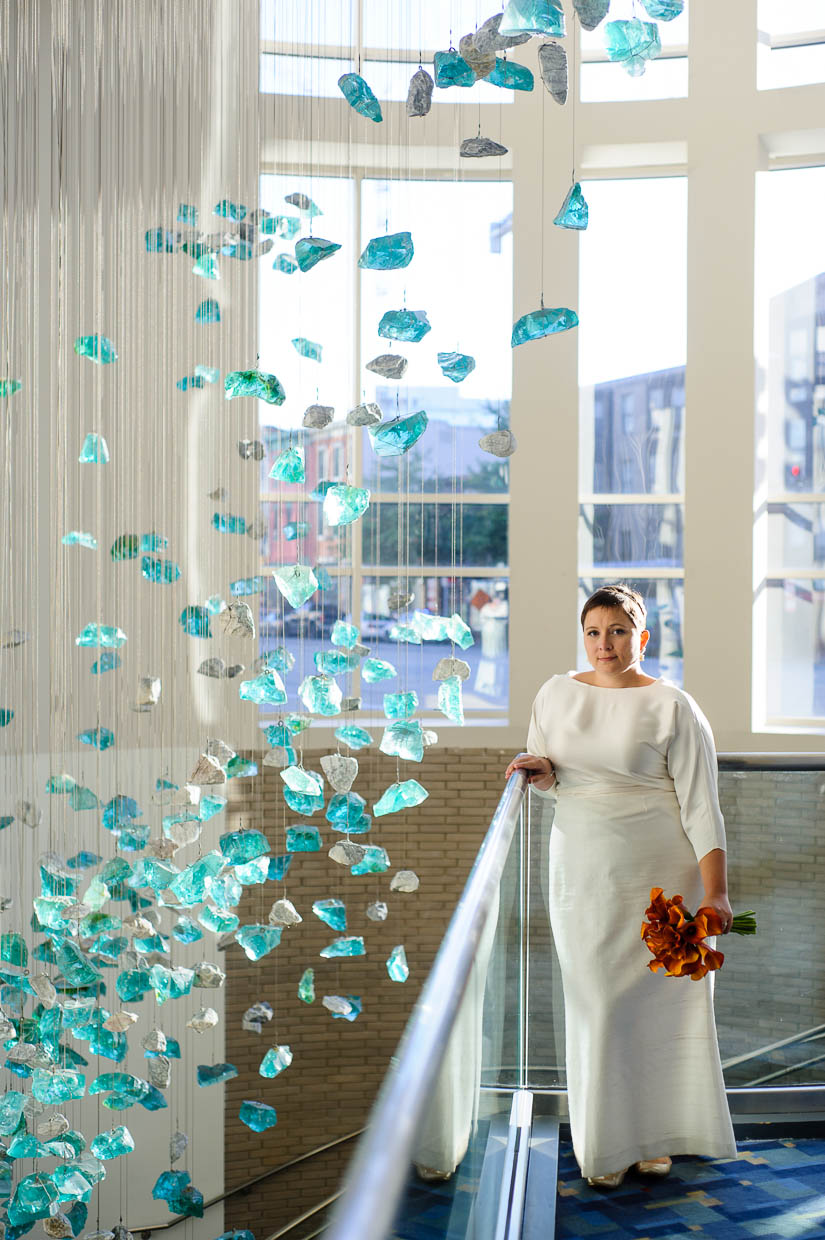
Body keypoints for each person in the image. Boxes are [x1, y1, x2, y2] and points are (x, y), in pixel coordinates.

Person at [504, 583, 737, 1188]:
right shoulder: (554, 694)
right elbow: (553, 773)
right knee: (597, 1005)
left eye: (618, 630)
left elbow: (702, 809)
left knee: (653, 1007)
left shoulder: (673, 706)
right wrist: (543, 772)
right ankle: (607, 1142)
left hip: (661, 874)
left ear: (643, 637)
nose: (604, 643)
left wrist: (716, 893)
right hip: (581, 872)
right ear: (583, 636)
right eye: (593, 631)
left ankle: (652, 1139)